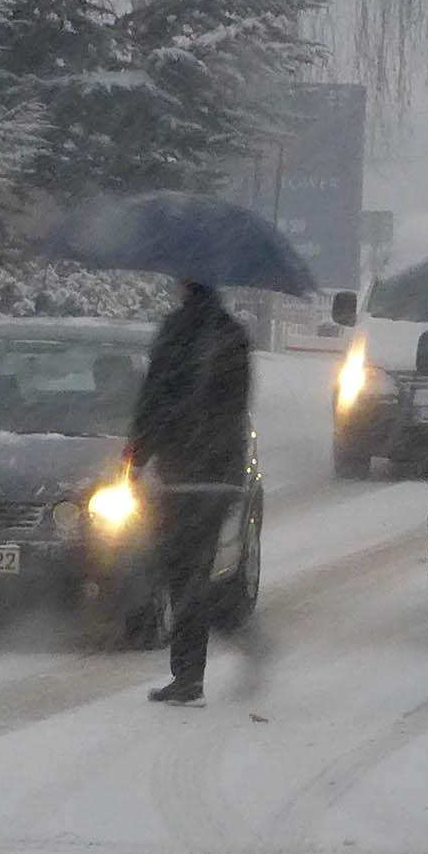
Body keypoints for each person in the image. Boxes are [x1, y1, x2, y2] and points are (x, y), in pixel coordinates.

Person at [127, 279, 252, 708]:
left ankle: (191, 672)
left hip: (181, 472)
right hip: (219, 473)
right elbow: (238, 405)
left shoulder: (173, 332)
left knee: (179, 572)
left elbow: (152, 401)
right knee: (198, 570)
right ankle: (224, 630)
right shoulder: (234, 336)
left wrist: (136, 457)